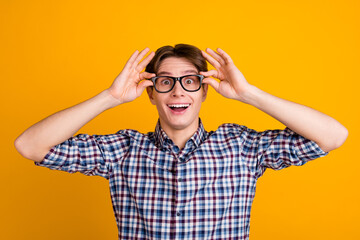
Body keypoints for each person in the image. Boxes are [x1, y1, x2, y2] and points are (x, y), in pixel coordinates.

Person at [14, 44, 348, 240]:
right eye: (165, 82)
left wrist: (249, 94)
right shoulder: (122, 151)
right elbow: (30, 146)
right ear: (151, 94)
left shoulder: (241, 147)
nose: (177, 91)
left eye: (189, 82)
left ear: (204, 91)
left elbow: (333, 136)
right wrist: (110, 97)